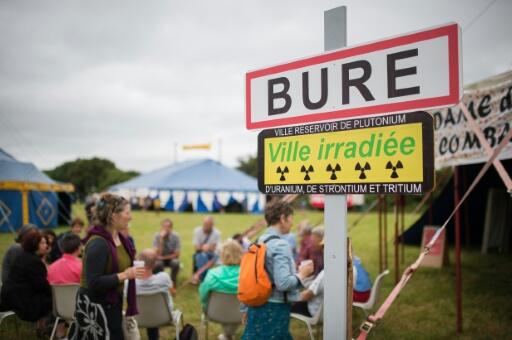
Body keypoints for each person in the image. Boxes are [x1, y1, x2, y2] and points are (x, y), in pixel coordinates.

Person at [70, 193, 144, 340]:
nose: (131, 217)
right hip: (96, 308)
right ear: (113, 216)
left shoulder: (121, 239)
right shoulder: (98, 243)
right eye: (127, 213)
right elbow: (93, 282)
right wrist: (125, 275)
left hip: (112, 303)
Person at [241, 200, 314, 340]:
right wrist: (302, 275)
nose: (292, 224)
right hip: (274, 308)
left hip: (255, 306)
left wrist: (245, 308)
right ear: (282, 218)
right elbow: (283, 283)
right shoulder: (281, 245)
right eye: (291, 219)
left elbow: (249, 277)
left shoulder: (256, 242)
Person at [0, 229, 52, 332]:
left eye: (46, 243)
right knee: (50, 298)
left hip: (8, 297)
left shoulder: (22, 257)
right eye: (42, 243)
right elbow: (42, 286)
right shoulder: (34, 262)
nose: (45, 246)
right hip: (20, 300)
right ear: (34, 244)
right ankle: (44, 328)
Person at [199, 240, 243, 340]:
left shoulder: (212, 274)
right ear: (241, 253)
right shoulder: (248, 274)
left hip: (215, 313)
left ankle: (227, 334)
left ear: (222, 255)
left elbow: (203, 295)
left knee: (225, 307)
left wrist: (205, 307)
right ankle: (228, 334)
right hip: (242, 314)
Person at [133, 248, 175, 340]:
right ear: (155, 264)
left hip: (138, 318)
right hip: (163, 317)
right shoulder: (164, 277)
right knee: (153, 311)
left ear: (138, 262)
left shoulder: (130, 283)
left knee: (148, 310)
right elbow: (172, 292)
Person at [192, 216, 221, 282]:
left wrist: (204, 247)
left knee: (206, 256)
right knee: (202, 256)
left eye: (208, 225)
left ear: (212, 225)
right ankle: (203, 278)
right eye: (204, 224)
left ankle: (199, 276)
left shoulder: (217, 233)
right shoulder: (197, 231)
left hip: (212, 254)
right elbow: (196, 247)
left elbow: (214, 248)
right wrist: (204, 247)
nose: (205, 226)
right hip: (200, 252)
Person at [153, 218, 181, 285]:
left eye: (168, 227)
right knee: (158, 264)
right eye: (164, 227)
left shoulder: (176, 237)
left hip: (171, 259)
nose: (166, 229)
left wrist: (163, 258)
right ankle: (160, 283)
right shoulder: (157, 236)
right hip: (160, 259)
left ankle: (173, 282)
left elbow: (177, 254)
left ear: (171, 228)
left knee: (176, 263)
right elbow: (157, 253)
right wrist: (161, 240)